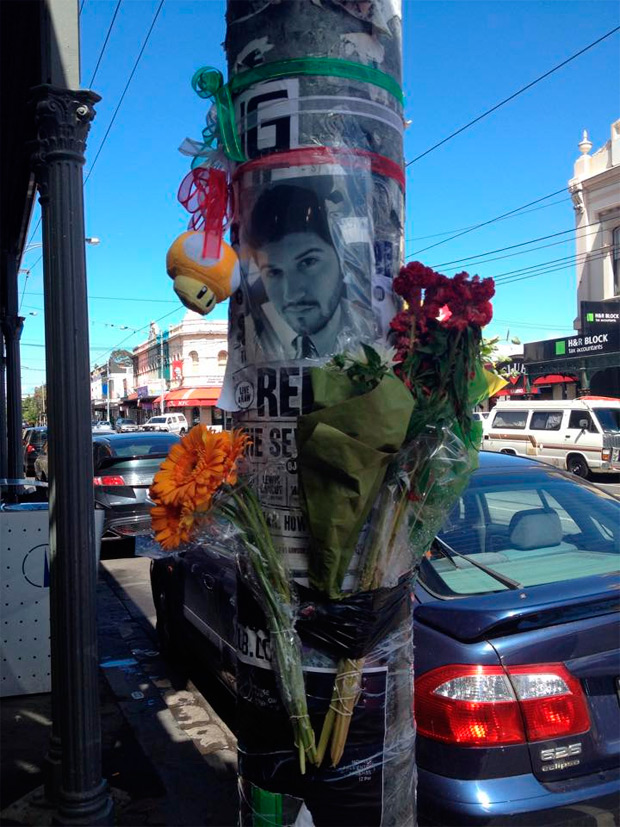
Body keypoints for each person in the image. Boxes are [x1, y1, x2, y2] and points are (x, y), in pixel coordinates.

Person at [245, 183, 351, 359]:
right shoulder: (254, 336)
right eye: (274, 272)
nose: (291, 294)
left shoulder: (373, 328)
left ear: (341, 257)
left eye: (308, 262)